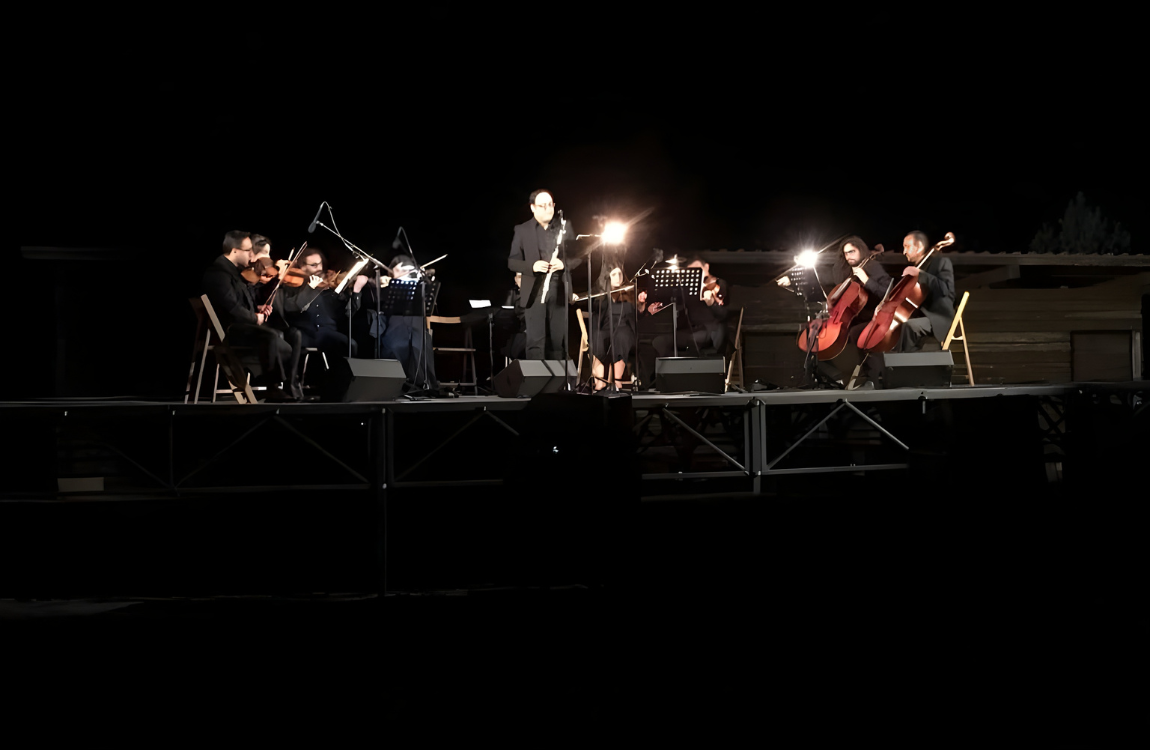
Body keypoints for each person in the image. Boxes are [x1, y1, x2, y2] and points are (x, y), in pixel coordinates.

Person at [201, 230, 302, 401]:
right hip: (229, 331)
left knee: (287, 335)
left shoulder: (232, 272)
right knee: (272, 337)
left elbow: (240, 302)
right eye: (248, 251)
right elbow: (231, 307)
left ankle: (286, 385)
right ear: (234, 251)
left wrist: (258, 309)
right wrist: (255, 318)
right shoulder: (218, 274)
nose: (252, 255)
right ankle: (273, 388)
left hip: (241, 327)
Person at [507, 189, 582, 360]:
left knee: (557, 342)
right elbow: (512, 261)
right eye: (542, 205)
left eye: (550, 205)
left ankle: (558, 385)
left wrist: (564, 264)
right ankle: (537, 385)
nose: (548, 208)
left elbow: (578, 257)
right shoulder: (522, 230)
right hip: (534, 291)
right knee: (535, 342)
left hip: (559, 289)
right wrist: (532, 266)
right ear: (533, 208)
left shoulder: (563, 227)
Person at [275, 248, 368, 356]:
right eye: (313, 265)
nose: (319, 268)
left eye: (320, 264)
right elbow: (291, 308)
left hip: (326, 333)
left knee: (350, 345)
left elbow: (348, 313)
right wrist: (310, 288)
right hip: (305, 333)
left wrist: (356, 291)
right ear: (302, 267)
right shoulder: (293, 286)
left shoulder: (328, 287)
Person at [641, 256, 729, 359]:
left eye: (698, 269)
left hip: (711, 332)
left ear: (706, 267)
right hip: (691, 331)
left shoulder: (718, 284)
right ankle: (668, 371)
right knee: (659, 342)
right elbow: (670, 303)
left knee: (693, 341)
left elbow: (724, 314)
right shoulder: (685, 289)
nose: (696, 273)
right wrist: (652, 306)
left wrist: (712, 303)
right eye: (692, 271)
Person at [377, 255, 437, 389]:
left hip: (416, 329)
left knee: (420, 346)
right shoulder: (387, 288)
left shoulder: (420, 288)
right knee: (395, 347)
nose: (404, 274)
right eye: (398, 271)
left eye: (407, 270)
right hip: (395, 329)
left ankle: (422, 384)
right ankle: (396, 385)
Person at [895, 230, 955, 352]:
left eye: (907, 246)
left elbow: (946, 290)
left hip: (937, 317)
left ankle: (905, 364)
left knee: (909, 327)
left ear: (919, 247)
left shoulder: (942, 262)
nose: (904, 251)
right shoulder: (917, 268)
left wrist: (921, 274)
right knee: (898, 326)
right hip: (918, 316)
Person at [588, 265, 636, 390]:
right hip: (605, 329)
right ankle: (600, 381)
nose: (618, 278)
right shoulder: (600, 295)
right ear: (607, 277)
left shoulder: (629, 293)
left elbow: (636, 313)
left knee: (621, 335)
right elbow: (595, 313)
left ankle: (617, 380)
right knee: (597, 337)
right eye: (614, 274)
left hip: (623, 328)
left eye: (620, 274)